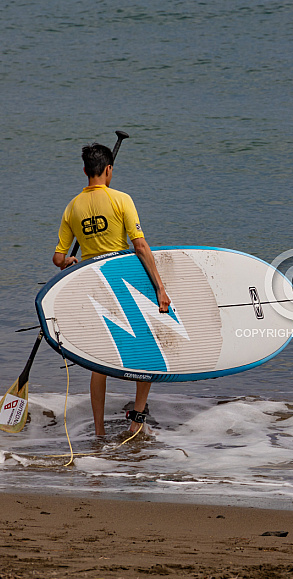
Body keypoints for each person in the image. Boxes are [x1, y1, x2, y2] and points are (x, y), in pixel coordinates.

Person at [52, 142, 171, 436]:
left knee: (100, 362)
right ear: (108, 170)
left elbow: (57, 258)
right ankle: (136, 421)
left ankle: (99, 431)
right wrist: (160, 288)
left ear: (84, 171)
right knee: (146, 352)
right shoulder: (121, 199)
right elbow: (140, 245)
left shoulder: (73, 207)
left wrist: (69, 260)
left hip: (92, 285)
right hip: (122, 281)